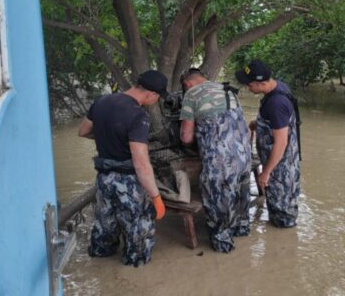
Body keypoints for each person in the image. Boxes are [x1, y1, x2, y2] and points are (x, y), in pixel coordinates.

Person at [78, 70, 168, 267]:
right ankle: (135, 271)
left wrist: (107, 136)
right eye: (158, 96)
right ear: (151, 94)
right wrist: (156, 197)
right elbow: (141, 163)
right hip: (128, 182)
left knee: (104, 226)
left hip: (103, 178)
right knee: (138, 232)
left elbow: (83, 131)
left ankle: (100, 270)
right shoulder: (139, 116)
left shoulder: (101, 101)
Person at [179, 68, 251, 253]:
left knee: (217, 197)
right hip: (244, 156)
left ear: (187, 83)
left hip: (220, 160)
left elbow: (186, 137)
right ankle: (241, 230)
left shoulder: (191, 94)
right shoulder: (228, 90)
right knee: (239, 192)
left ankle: (222, 243)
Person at [235, 60, 301, 228]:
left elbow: (281, 142)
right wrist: (257, 124)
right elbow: (280, 124)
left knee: (282, 215)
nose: (247, 88)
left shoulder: (276, 103)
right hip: (283, 162)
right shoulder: (278, 88)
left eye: (249, 85)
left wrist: (266, 172)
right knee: (280, 206)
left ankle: (282, 248)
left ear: (262, 83)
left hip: (280, 167)